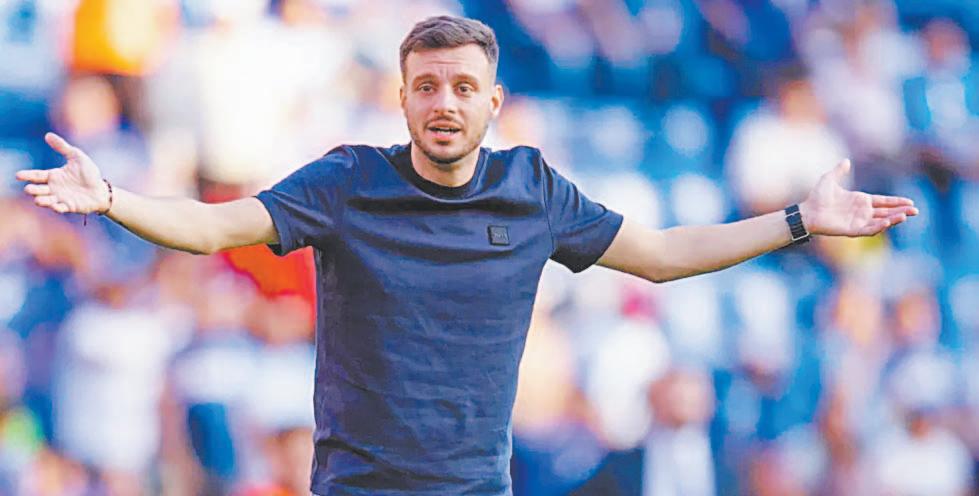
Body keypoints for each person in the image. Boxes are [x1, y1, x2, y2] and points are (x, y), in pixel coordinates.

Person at [15, 15, 918, 496]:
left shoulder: (533, 190)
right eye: (425, 87)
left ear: (493, 101)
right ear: (403, 100)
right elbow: (216, 228)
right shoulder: (346, 181)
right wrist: (113, 198)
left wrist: (797, 221)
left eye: (461, 86)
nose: (442, 102)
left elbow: (660, 254)